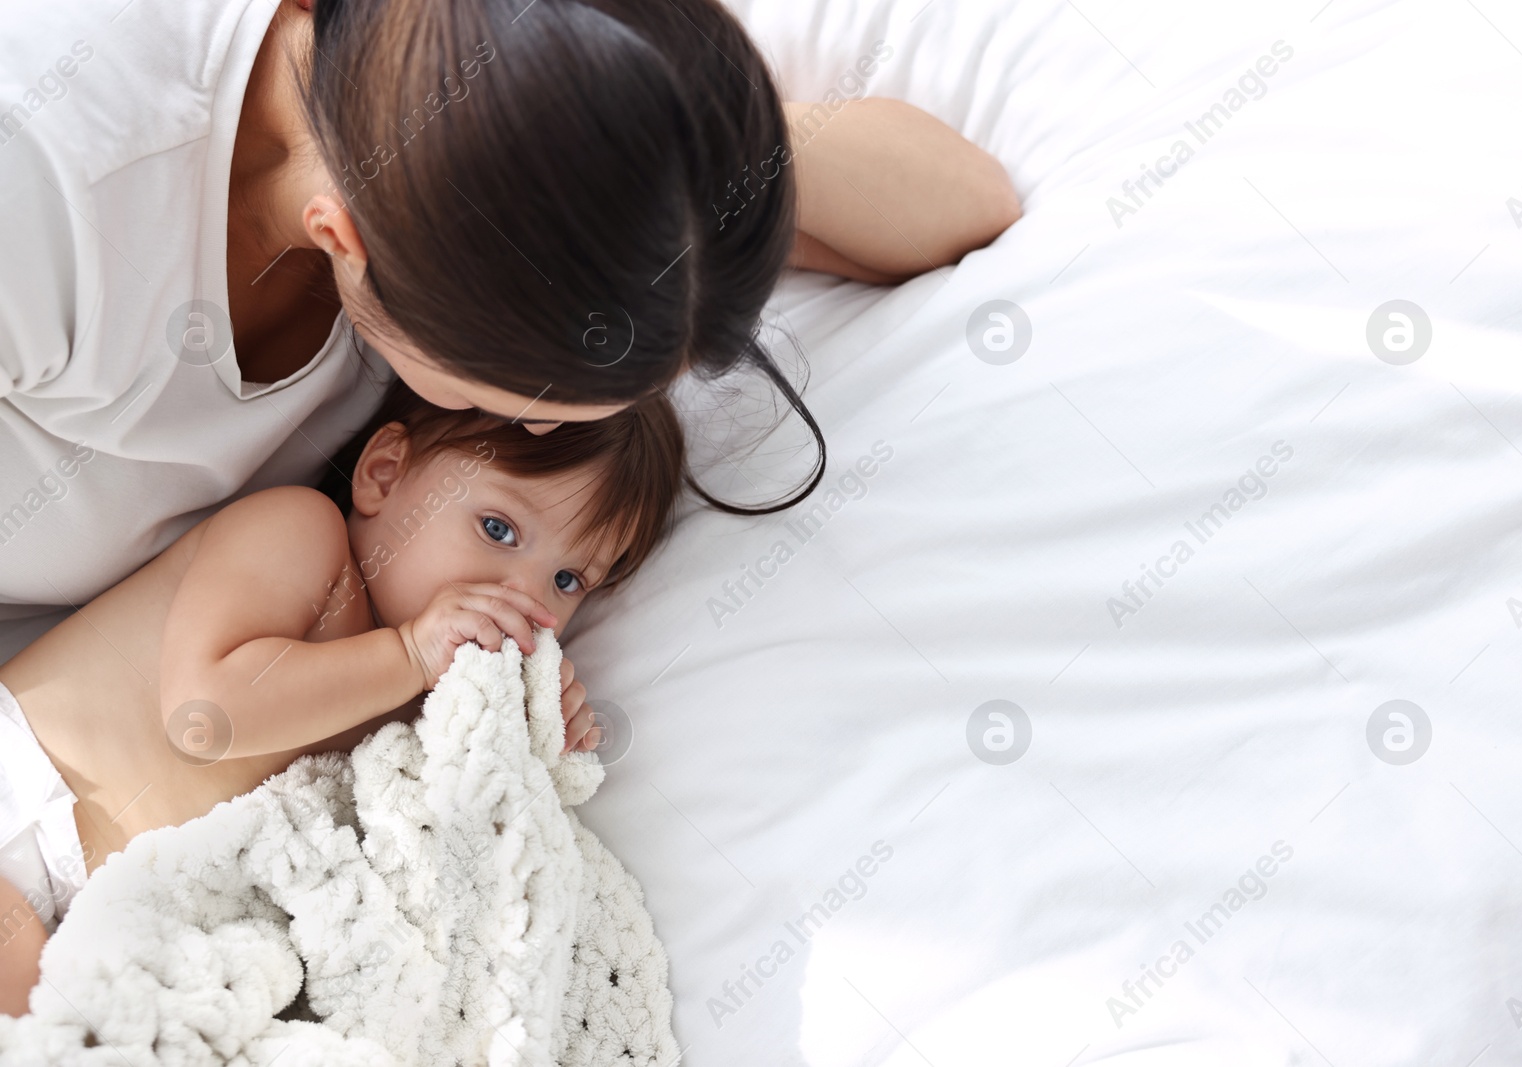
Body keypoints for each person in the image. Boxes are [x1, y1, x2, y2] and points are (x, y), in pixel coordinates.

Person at [0, 0, 1022, 664]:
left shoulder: (450, 127)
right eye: (491, 399)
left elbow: (964, 204)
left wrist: (631, 141)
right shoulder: (46, 170)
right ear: (345, 242)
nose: (511, 434)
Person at [0, 377, 687, 1015]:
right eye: (498, 529)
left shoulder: (422, 702)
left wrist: (532, 737)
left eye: (568, 580)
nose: (526, 598)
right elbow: (202, 716)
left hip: (99, 929)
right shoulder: (304, 539)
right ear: (384, 473)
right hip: (24, 803)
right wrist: (411, 653)